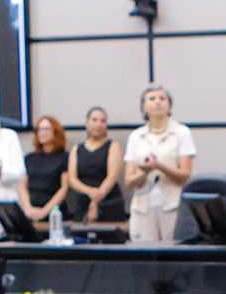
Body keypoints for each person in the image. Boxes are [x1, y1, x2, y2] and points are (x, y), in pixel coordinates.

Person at [123, 84, 196, 246]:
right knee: (144, 256)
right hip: (142, 208)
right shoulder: (136, 136)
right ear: (144, 107)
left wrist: (159, 166)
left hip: (173, 206)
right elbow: (129, 181)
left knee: (173, 256)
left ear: (169, 105)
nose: (157, 102)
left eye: (162, 98)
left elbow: (184, 176)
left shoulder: (182, 132)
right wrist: (146, 170)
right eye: (152, 99)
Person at [64, 106, 125, 226]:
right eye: (94, 120)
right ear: (86, 123)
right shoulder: (77, 149)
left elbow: (112, 177)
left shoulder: (113, 146)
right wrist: (91, 192)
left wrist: (95, 201)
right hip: (82, 202)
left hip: (109, 201)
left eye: (103, 121)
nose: (98, 124)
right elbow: (72, 179)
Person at [22, 115, 71, 231]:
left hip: (54, 214)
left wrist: (45, 211)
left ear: (56, 132)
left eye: (46, 129)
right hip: (31, 212)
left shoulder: (65, 157)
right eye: (39, 129)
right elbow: (22, 186)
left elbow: (64, 189)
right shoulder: (29, 158)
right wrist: (28, 208)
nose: (42, 132)